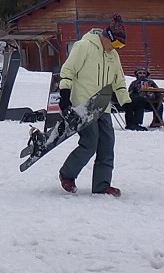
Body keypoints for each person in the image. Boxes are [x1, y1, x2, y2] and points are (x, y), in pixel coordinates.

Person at [56, 20, 131, 195]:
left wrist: (126, 102)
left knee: (107, 145)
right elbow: (67, 71)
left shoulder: (113, 55)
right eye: (116, 43)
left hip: (102, 106)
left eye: (121, 45)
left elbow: (118, 81)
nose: (117, 48)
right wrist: (65, 98)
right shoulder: (84, 46)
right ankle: (67, 174)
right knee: (90, 142)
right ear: (107, 37)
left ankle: (102, 186)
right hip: (83, 105)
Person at [125, 66, 164, 130]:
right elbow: (130, 93)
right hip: (139, 103)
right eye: (140, 73)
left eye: (144, 73)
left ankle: (157, 122)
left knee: (159, 104)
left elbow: (158, 92)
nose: (142, 75)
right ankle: (136, 123)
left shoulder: (151, 82)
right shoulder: (134, 83)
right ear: (137, 74)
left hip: (150, 102)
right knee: (139, 103)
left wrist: (153, 93)